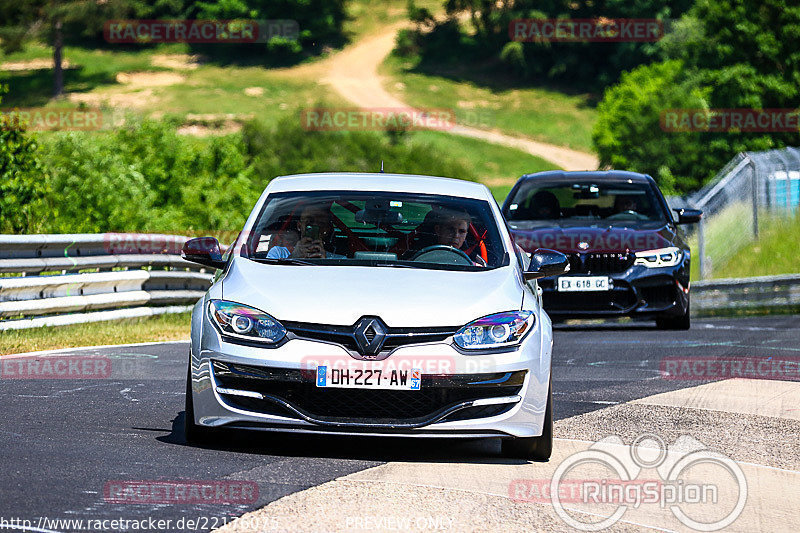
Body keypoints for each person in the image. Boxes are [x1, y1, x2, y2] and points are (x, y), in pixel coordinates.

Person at [266, 202, 345, 259]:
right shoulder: (278, 253)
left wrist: (325, 262)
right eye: (309, 222)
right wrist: (294, 257)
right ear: (299, 226)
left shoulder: (340, 260)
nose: (314, 226)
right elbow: (270, 277)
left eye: (320, 223)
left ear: (327, 229)